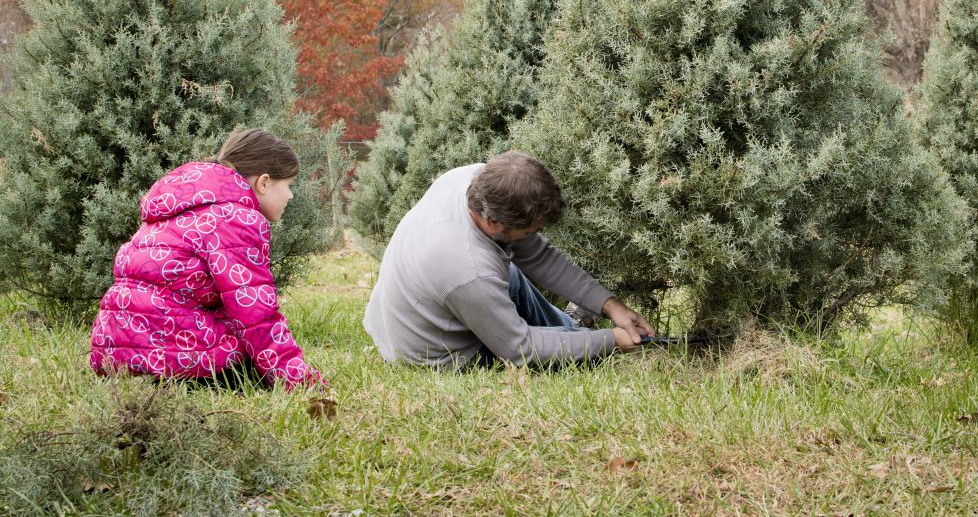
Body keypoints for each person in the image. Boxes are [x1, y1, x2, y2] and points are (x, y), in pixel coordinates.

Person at [363, 150, 655, 368]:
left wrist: (609, 305)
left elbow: (540, 257)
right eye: (531, 230)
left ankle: (571, 327)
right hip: (433, 355)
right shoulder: (469, 268)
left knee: (510, 272)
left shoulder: (473, 179)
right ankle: (579, 337)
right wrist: (609, 341)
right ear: (493, 221)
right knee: (547, 348)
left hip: (412, 315)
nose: (537, 234)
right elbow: (520, 349)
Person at [89, 128, 324, 391]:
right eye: (289, 185)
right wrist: (302, 381)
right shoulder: (237, 219)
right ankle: (179, 384)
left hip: (116, 347)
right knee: (252, 372)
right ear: (264, 182)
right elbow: (256, 316)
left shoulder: (186, 204)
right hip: (176, 354)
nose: (291, 196)